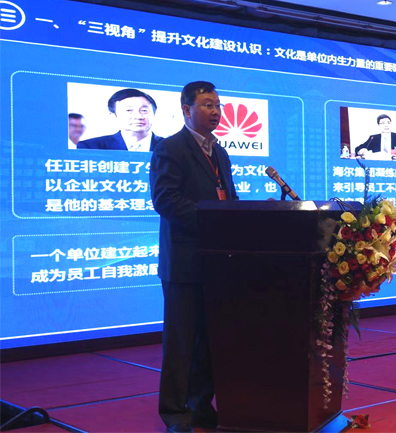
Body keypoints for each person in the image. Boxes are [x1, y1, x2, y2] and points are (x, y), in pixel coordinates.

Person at [150, 81, 238, 433]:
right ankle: (175, 414)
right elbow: (166, 200)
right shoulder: (170, 148)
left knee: (208, 343)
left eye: (217, 105)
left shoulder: (220, 152)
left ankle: (201, 408)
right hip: (184, 263)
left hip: (216, 262)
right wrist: (213, 218)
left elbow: (227, 198)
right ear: (186, 109)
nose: (215, 111)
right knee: (181, 344)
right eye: (207, 104)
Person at [77, 88, 164, 152]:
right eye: (129, 110)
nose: (138, 116)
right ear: (113, 116)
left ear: (154, 114)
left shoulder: (169, 146)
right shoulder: (91, 147)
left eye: (144, 110)